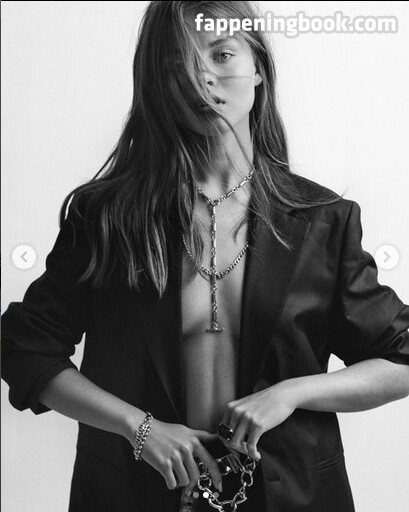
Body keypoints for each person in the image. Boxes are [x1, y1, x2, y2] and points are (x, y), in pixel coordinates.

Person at [2, 2, 409, 511]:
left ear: (257, 66)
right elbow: (24, 347)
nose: (202, 80)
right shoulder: (108, 217)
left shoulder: (323, 221)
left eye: (221, 55)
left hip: (292, 496)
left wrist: (290, 394)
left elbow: (401, 357)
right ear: (158, 80)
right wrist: (138, 428)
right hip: (137, 495)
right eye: (179, 64)